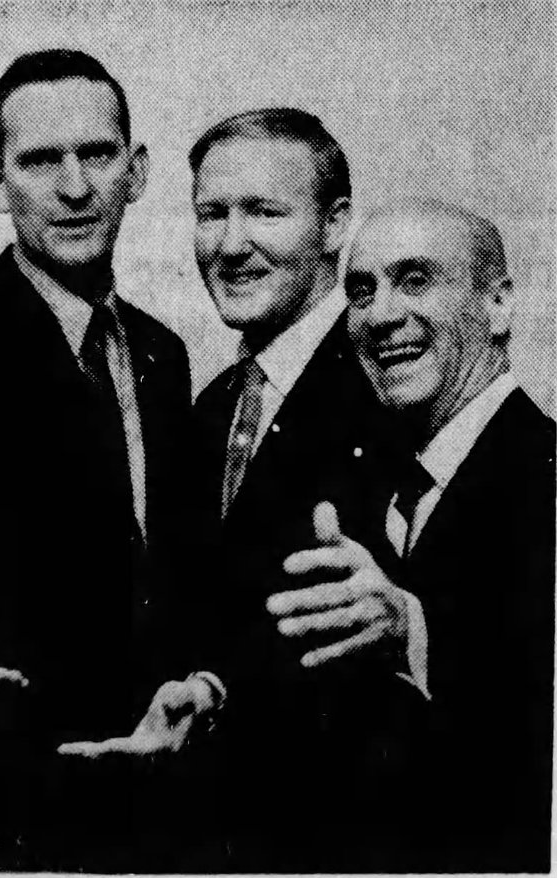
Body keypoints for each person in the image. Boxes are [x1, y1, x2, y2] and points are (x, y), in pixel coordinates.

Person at [58, 108, 410, 870]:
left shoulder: (395, 386)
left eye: (264, 212)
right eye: (211, 213)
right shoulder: (211, 404)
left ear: (335, 224)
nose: (230, 243)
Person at [0, 48, 194, 869]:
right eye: (41, 160)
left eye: (98, 154)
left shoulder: (163, 354)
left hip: (156, 801)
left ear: (138, 171)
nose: (74, 187)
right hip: (1, 818)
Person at [299, 199, 552, 870]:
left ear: (498, 305)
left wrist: (412, 631)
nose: (380, 315)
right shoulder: (362, 494)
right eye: (361, 291)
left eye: (415, 280)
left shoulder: (547, 482)